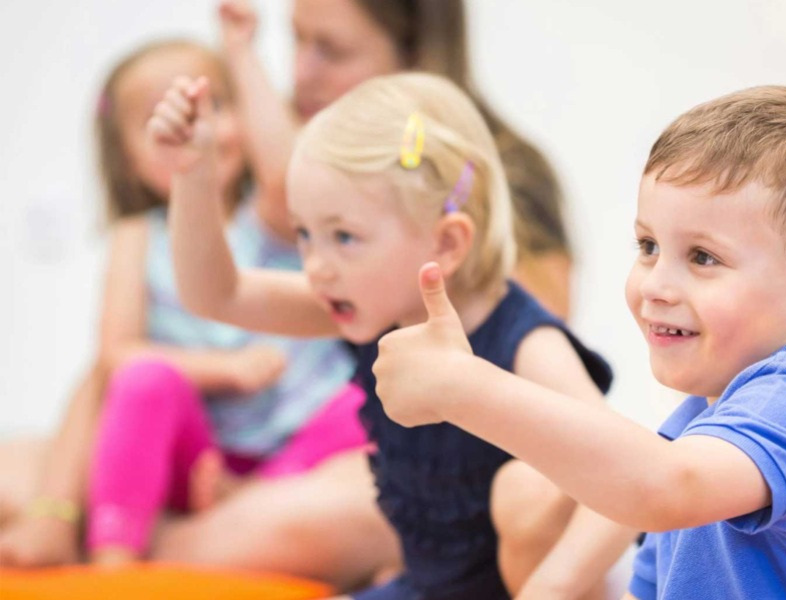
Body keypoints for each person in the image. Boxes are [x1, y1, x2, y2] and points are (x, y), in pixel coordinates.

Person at [373, 86, 786, 598]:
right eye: (648, 246)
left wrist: (463, 386)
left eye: (702, 257)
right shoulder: (693, 436)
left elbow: (660, 486)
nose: (656, 284)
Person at [150, 71, 628, 598]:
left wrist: (552, 589)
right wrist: (192, 176)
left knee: (529, 489)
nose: (316, 266)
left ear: (446, 243)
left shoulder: (528, 344)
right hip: (424, 588)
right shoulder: (374, 304)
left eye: (344, 237)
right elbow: (217, 295)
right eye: (305, 234)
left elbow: (630, 477)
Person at [0, 40, 398, 589]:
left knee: (367, 396)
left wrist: (241, 49)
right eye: (161, 119)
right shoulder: (139, 237)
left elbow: (284, 173)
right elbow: (117, 352)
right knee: (142, 381)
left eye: (214, 106)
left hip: (299, 443)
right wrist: (224, 371)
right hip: (203, 452)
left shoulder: (276, 216)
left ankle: (253, 500)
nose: (195, 128)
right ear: (127, 157)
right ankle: (114, 557)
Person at [219, 0, 575, 318]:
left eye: (334, 51)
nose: (301, 74)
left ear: (415, 56)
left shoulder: (506, 170)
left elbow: (537, 322)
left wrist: (242, 56)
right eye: (297, 39)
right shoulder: (259, 135)